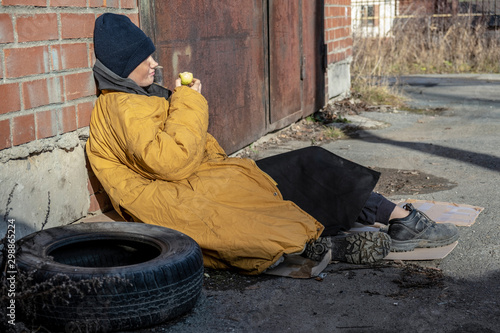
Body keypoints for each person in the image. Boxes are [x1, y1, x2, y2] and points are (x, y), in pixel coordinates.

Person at [87, 13, 459, 275]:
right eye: (144, 58)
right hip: (191, 195)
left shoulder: (145, 95)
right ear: (122, 67)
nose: (154, 63)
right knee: (270, 213)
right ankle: (336, 244)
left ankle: (392, 218)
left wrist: (180, 102)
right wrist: (189, 102)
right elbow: (172, 162)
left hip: (215, 179)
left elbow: (197, 152)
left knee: (308, 163)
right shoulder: (120, 106)